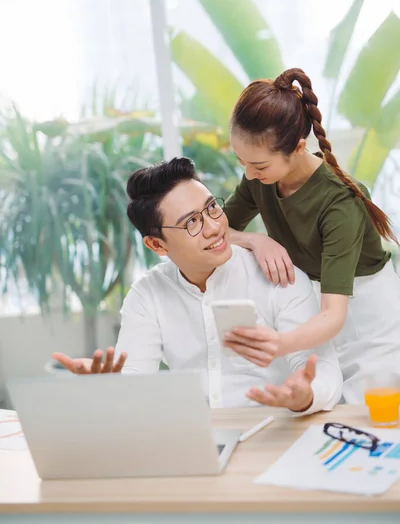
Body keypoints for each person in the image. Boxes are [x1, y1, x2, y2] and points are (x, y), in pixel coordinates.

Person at [54, 157, 342, 414]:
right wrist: (111, 386)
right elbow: (136, 375)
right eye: (192, 222)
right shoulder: (147, 294)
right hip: (199, 441)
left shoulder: (276, 274)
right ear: (156, 244)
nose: (215, 227)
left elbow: (321, 368)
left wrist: (305, 395)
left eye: (212, 208)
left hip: (273, 433)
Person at [223, 67, 400, 404]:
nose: (248, 173)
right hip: (318, 324)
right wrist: (255, 239)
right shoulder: (258, 179)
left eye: (258, 165)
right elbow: (219, 231)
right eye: (241, 161)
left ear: (298, 147)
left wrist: (279, 343)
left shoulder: (340, 202)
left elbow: (334, 314)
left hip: (373, 332)